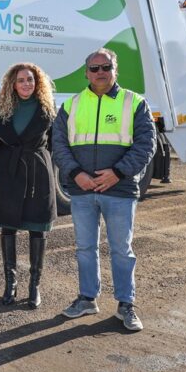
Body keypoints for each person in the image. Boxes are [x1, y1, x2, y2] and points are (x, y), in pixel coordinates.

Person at [53, 48, 156, 331]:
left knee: (121, 249)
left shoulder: (134, 102)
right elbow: (59, 144)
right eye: (94, 68)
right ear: (86, 72)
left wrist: (117, 173)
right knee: (85, 248)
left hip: (119, 190)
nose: (100, 73)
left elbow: (146, 145)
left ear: (115, 69)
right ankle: (87, 299)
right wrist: (76, 174)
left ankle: (126, 304)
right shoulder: (71, 105)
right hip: (83, 190)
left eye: (105, 67)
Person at [0, 63, 57, 308]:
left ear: (37, 82)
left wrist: (42, 163)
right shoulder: (0, 110)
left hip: (38, 173)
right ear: (12, 84)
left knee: (36, 227)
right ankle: (11, 284)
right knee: (8, 227)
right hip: (9, 171)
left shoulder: (47, 109)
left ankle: (34, 286)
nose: (26, 84)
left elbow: (52, 144)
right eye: (21, 80)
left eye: (30, 79)